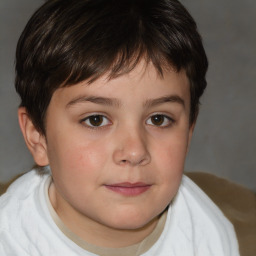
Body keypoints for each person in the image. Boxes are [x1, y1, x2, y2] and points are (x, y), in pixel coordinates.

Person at [0, 0, 240, 255]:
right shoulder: (10, 240)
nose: (135, 151)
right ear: (37, 136)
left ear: (189, 131)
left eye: (159, 119)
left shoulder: (206, 235)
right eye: (96, 120)